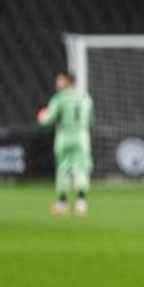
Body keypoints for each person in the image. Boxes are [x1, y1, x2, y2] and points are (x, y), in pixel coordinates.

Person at [37, 73, 94, 217]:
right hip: (82, 137)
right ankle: (81, 203)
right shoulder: (86, 98)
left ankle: (62, 203)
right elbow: (91, 119)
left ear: (68, 82)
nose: (57, 83)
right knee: (81, 169)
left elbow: (48, 119)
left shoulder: (59, 98)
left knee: (63, 169)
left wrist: (42, 118)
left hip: (64, 137)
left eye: (60, 80)